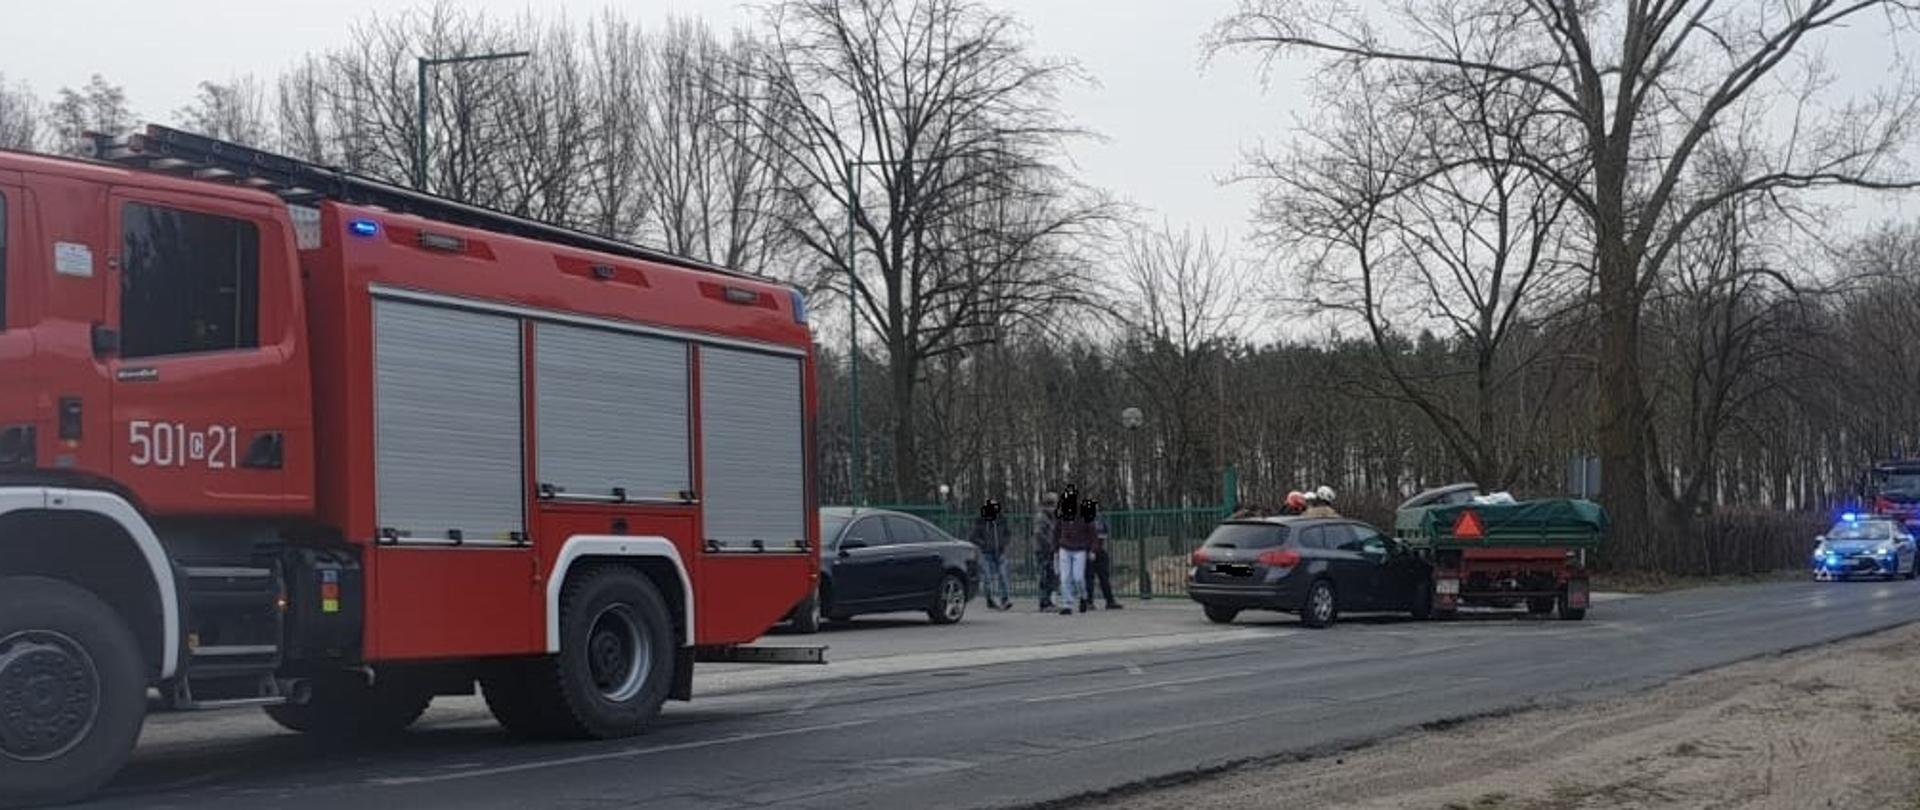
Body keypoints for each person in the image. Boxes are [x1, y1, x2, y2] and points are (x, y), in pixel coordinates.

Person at [968, 498, 1014, 611]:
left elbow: (1008, 534)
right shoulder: (981, 521)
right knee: (988, 578)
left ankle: (1005, 599)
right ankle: (990, 599)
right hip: (986, 553)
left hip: (1000, 552)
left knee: (1003, 576)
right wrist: (983, 544)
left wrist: (1004, 543)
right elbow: (973, 537)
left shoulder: (1001, 520)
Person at [1053, 486, 1093, 615]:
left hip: (1079, 549)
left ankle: (1083, 596)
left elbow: (1092, 533)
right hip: (1064, 548)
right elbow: (1056, 532)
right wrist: (1055, 549)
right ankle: (1067, 604)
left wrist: (1092, 549)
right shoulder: (1062, 515)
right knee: (1065, 578)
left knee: (1078, 577)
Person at [1084, 499, 1122, 610]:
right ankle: (1093, 601)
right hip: (1092, 551)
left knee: (1099, 577)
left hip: (1095, 551)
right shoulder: (1091, 520)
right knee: (1092, 578)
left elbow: (1104, 534)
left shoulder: (1097, 520)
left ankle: (1105, 601)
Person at [1033, 492, 1062, 611]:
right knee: (1044, 576)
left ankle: (1049, 601)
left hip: (1050, 550)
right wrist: (1050, 545)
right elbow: (1039, 534)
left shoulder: (1052, 516)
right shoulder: (1042, 517)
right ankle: (1044, 603)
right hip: (1043, 551)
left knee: (1052, 576)